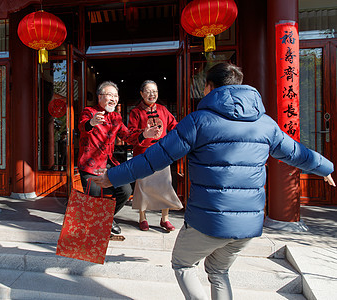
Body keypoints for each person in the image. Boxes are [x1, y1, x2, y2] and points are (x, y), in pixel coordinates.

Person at [92, 63, 335, 299]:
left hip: (208, 220)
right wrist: (325, 167)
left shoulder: (198, 121)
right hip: (248, 225)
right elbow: (297, 153)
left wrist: (111, 177)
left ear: (209, 87)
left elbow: (153, 159)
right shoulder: (266, 124)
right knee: (219, 270)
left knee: (183, 264)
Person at [78, 81, 160, 235]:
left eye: (115, 96)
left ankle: (105, 219)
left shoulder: (116, 117)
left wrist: (144, 134)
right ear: (100, 97)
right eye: (109, 95)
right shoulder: (89, 112)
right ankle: (98, 229)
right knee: (94, 199)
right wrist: (92, 122)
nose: (113, 99)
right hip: (90, 165)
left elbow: (127, 136)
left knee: (125, 189)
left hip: (109, 163)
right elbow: (83, 126)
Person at [128, 80, 183, 231]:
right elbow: (131, 133)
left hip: (162, 153)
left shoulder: (163, 110)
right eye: (148, 91)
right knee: (142, 186)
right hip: (143, 153)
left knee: (165, 185)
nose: (152, 94)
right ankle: (142, 217)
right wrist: (143, 134)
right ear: (141, 93)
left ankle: (164, 218)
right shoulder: (135, 112)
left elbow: (174, 126)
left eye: (155, 91)